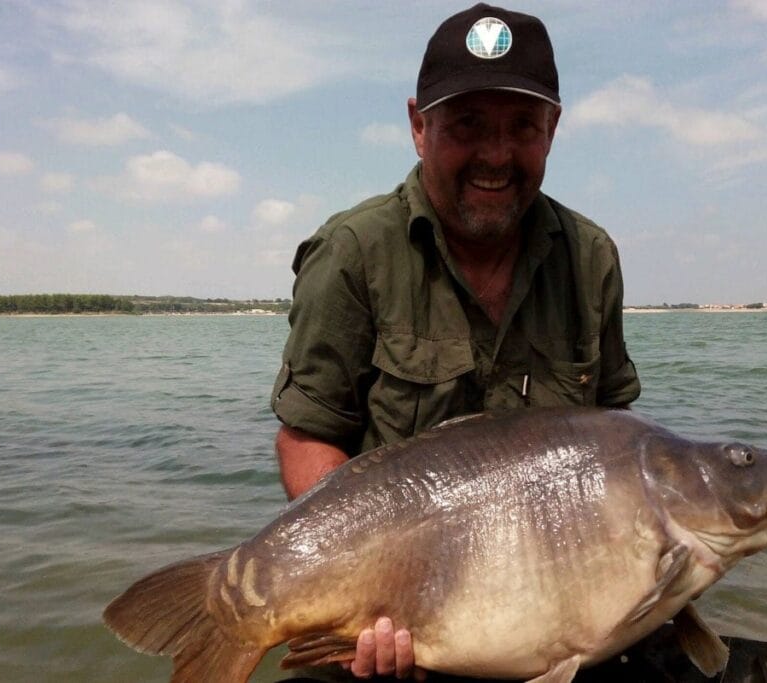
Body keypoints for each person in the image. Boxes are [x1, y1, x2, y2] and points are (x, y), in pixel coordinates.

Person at [270, 3, 640, 679]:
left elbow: (613, 441)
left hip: (549, 609)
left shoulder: (590, 260)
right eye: (468, 126)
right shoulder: (353, 254)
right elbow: (306, 436)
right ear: (419, 125)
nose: (495, 155)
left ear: (552, 129)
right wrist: (371, 587)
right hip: (393, 620)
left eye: (521, 128)